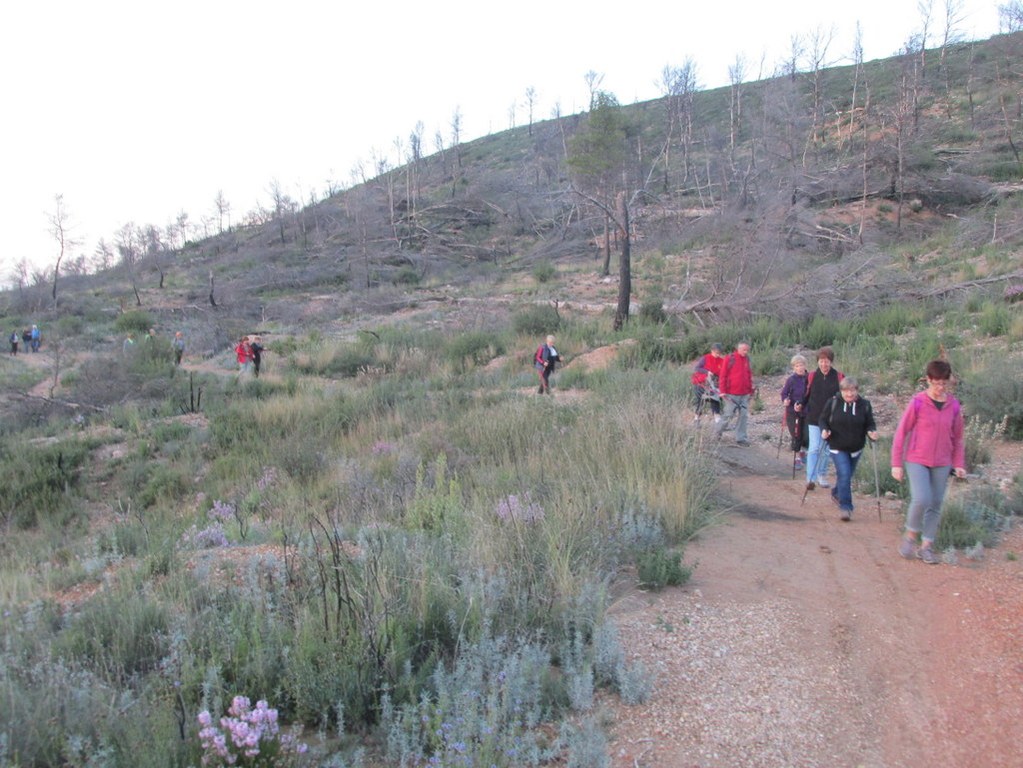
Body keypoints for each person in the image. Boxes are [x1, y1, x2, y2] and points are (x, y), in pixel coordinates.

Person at [891, 360, 966, 565]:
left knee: (935, 503)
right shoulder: (918, 402)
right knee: (922, 498)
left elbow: (958, 437)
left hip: (943, 461)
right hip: (917, 458)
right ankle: (911, 535)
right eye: (936, 383)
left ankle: (927, 547)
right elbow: (901, 432)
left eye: (944, 383)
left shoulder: (954, 405)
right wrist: (896, 463)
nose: (940, 388)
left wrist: (959, 463)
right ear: (929, 380)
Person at [820, 378, 879, 521]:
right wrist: (824, 430)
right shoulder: (833, 403)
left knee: (845, 476)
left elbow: (870, 423)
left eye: (852, 390)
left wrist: (872, 432)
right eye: (846, 391)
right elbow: (823, 419)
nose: (849, 394)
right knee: (845, 474)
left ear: (857, 391)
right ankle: (846, 507)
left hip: (856, 448)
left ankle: (836, 492)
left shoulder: (864, 405)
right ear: (841, 391)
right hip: (837, 446)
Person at [801, 346, 843, 489]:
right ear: (817, 361)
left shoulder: (839, 377)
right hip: (813, 418)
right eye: (821, 361)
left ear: (831, 362)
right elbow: (806, 395)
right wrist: (800, 404)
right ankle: (810, 479)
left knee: (826, 450)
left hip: (831, 420)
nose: (824, 364)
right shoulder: (812, 376)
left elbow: (844, 398)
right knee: (814, 448)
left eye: (826, 361)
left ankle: (822, 474)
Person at [714, 341, 754, 446]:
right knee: (728, 415)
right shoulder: (730, 358)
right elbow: (723, 375)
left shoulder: (747, 359)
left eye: (747, 350)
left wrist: (750, 391)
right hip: (731, 394)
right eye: (744, 350)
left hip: (744, 393)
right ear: (738, 349)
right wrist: (722, 391)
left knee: (743, 416)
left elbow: (749, 375)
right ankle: (717, 432)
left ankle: (741, 438)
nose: (746, 352)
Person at [780, 354, 809, 467]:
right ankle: (797, 457)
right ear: (794, 368)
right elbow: (784, 393)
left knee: (806, 435)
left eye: (801, 365)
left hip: (806, 411)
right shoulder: (791, 380)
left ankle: (803, 452)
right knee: (796, 434)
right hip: (792, 411)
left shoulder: (809, 378)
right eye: (797, 366)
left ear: (805, 365)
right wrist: (786, 400)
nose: (800, 368)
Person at [692, 342, 726, 423]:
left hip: (714, 384)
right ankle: (696, 419)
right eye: (717, 353)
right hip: (701, 383)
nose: (718, 355)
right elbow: (697, 368)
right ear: (712, 351)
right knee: (700, 401)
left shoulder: (722, 361)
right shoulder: (705, 358)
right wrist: (707, 372)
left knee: (716, 400)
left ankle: (718, 421)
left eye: (720, 353)